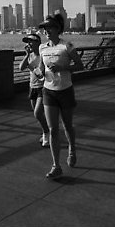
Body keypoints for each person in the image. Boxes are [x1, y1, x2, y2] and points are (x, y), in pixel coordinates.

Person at [37, 14, 84, 179]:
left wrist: (63, 67)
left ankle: (72, 147)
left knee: (67, 125)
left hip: (65, 90)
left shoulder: (67, 46)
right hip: (48, 91)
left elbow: (80, 65)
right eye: (44, 28)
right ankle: (56, 165)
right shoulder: (42, 48)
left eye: (50, 27)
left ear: (58, 29)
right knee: (52, 129)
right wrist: (39, 73)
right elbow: (41, 68)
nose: (46, 31)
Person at [19, 34, 50, 147]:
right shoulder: (30, 55)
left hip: (43, 87)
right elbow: (21, 68)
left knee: (37, 113)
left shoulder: (43, 54)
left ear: (38, 42)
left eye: (30, 41)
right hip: (32, 87)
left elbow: (43, 71)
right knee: (38, 114)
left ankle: (47, 133)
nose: (28, 44)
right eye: (27, 42)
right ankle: (46, 131)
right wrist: (27, 55)